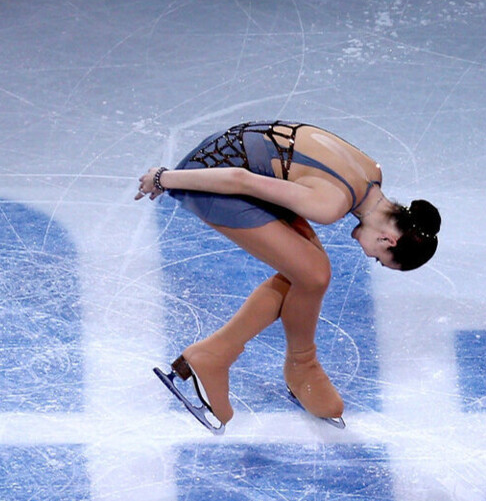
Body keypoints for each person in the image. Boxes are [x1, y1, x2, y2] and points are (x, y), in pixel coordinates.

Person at [136, 121, 438, 429]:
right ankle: (268, 362)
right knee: (312, 275)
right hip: (213, 178)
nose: (367, 255)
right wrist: (164, 178)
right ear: (389, 240)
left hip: (236, 160)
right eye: (379, 259)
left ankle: (271, 361)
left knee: (311, 273)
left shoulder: (371, 175)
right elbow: (241, 180)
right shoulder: (329, 205)